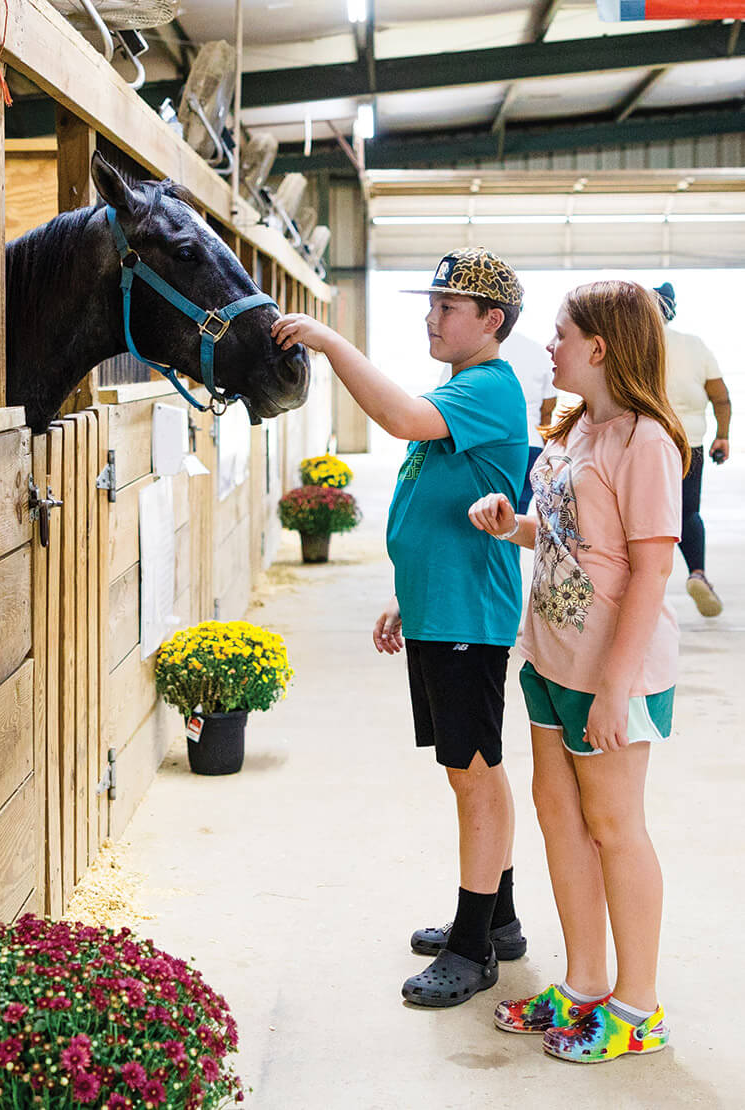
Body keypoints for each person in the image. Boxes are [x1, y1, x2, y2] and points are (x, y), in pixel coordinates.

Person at [272, 248, 529, 1008]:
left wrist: (330, 341)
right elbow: (436, 503)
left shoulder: (487, 387)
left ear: (492, 321)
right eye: (433, 303)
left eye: (449, 306)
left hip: (468, 618)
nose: (432, 315)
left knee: (473, 773)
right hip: (438, 609)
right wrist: (405, 596)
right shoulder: (462, 388)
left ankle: (473, 946)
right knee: (473, 768)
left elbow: (393, 418)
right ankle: (501, 919)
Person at [468, 280, 688, 1063]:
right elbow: (569, 541)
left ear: (600, 348)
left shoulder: (646, 443)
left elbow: (652, 575)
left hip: (610, 675)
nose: (549, 346)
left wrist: (615, 690)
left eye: (560, 334)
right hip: (550, 658)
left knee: (615, 828)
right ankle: (586, 984)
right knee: (561, 819)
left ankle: (639, 1008)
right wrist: (513, 526)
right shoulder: (573, 429)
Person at [653, 282, 731, 617]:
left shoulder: (633, 343)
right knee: (686, 512)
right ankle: (697, 573)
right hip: (690, 442)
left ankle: (641, 585)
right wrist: (722, 436)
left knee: (638, 515)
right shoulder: (695, 346)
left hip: (645, 441)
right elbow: (721, 397)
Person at [441, 331, 556, 513]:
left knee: (479, 520)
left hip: (484, 448)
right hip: (531, 448)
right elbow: (547, 413)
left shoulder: (471, 350)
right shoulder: (537, 351)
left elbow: (447, 404)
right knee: (514, 520)